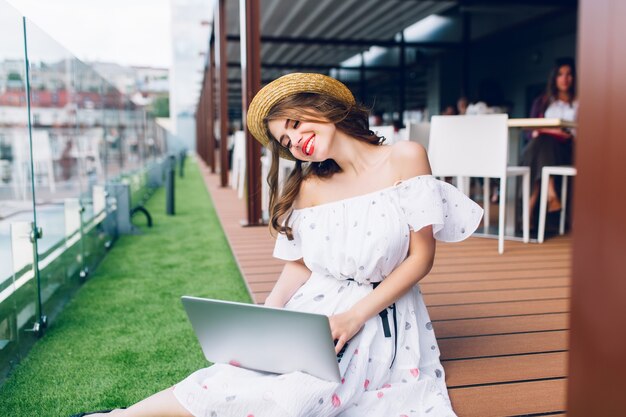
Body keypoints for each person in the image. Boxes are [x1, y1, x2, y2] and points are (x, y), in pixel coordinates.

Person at [73, 73, 482, 417]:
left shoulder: (405, 157)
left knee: (301, 394)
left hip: (378, 313)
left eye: (294, 123)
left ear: (321, 106)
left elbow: (421, 258)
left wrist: (352, 318)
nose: (295, 141)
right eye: (285, 141)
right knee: (236, 375)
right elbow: (300, 266)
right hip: (315, 306)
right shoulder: (309, 185)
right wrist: (267, 315)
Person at [521, 57, 577, 215]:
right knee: (543, 142)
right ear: (554, 78)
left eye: (569, 74)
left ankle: (529, 208)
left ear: (574, 77)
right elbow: (528, 131)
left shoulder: (580, 102)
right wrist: (551, 132)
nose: (565, 79)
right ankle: (550, 193)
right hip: (543, 148)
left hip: (568, 150)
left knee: (541, 144)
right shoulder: (543, 101)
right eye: (560, 74)